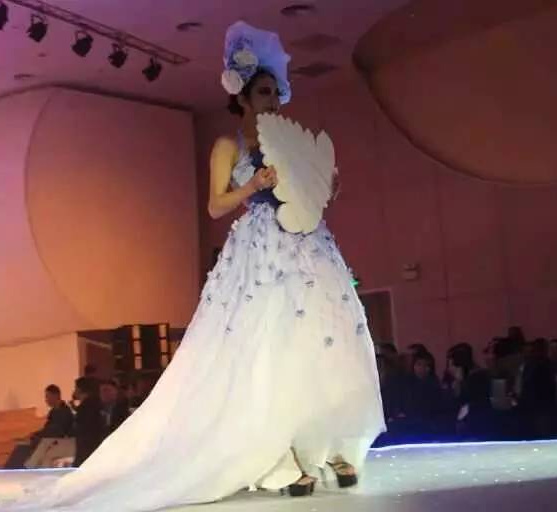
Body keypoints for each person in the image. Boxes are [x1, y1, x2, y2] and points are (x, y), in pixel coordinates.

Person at [38, 21, 384, 510]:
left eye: (276, 92)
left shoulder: (291, 139)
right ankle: (284, 456)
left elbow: (309, 193)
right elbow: (215, 206)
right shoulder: (229, 145)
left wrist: (326, 186)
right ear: (242, 96)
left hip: (308, 245)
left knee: (324, 338)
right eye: (263, 92)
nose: (273, 100)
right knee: (269, 345)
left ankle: (329, 447)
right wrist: (253, 184)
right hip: (261, 249)